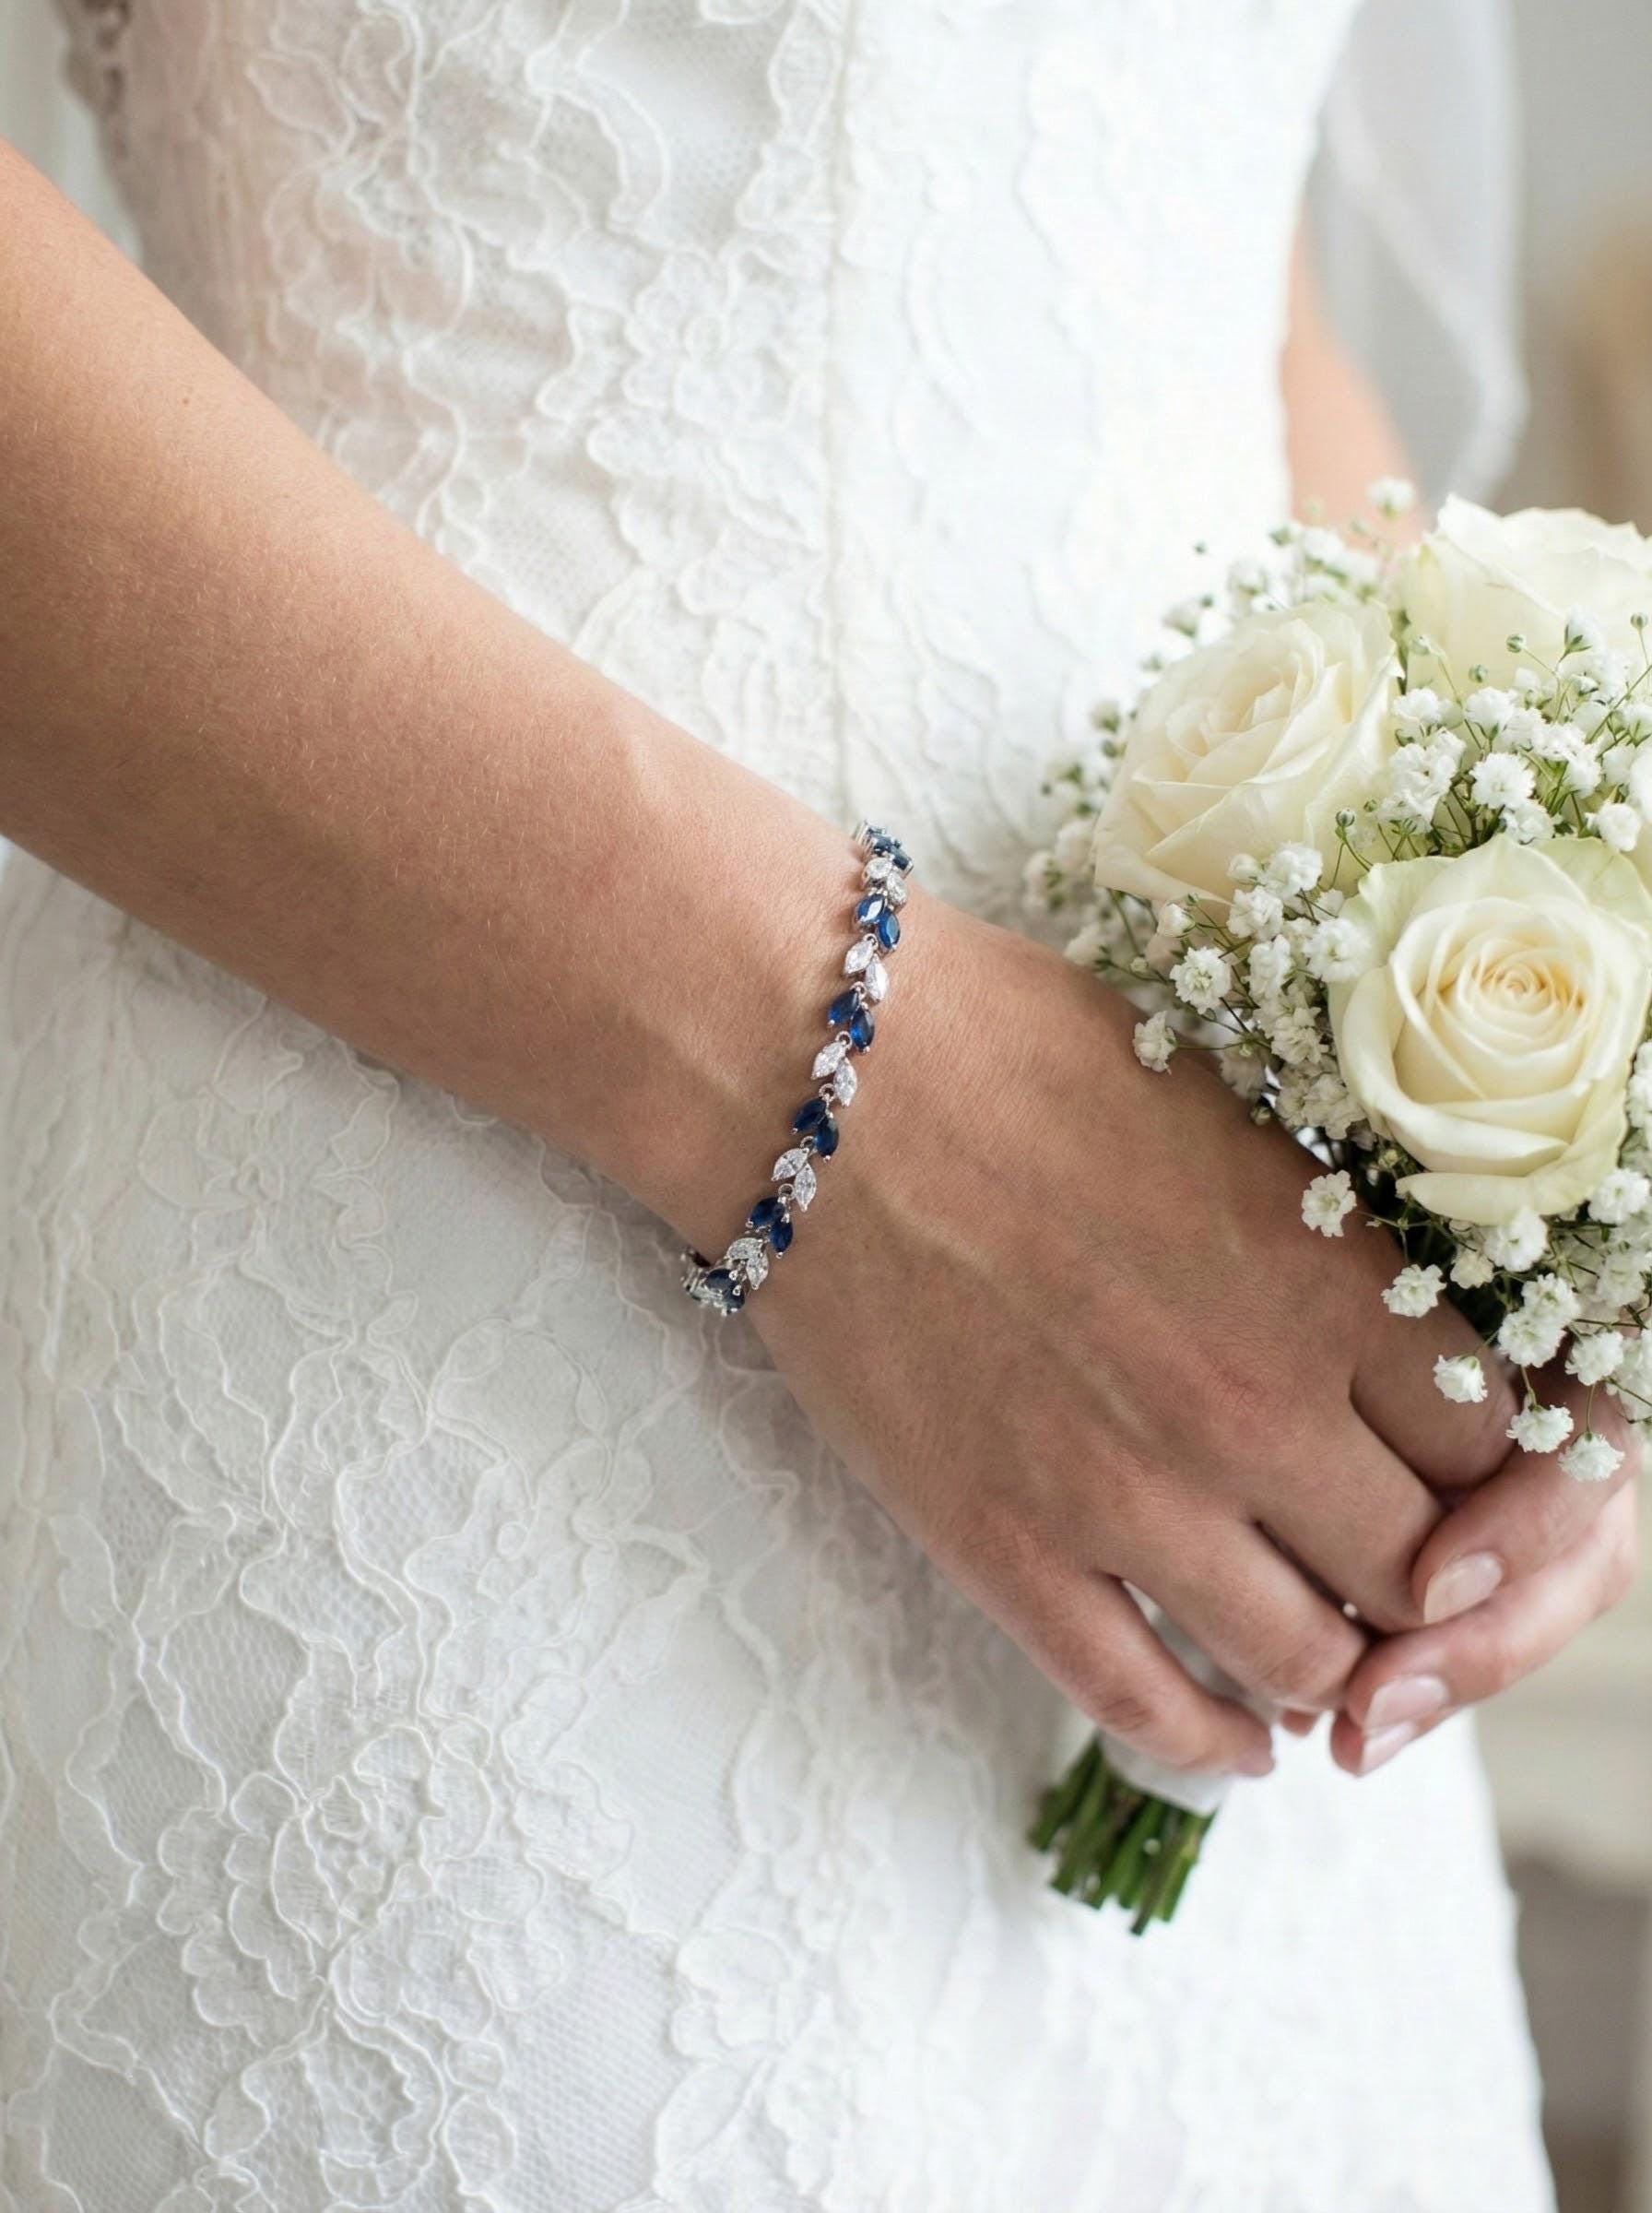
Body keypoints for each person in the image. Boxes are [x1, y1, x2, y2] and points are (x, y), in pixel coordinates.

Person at [0, 4, 1634, 2206]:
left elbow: (1189, 270)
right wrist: (834, 1083)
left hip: (1222, 1558)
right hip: (425, 1475)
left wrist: (1513, 1200)